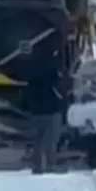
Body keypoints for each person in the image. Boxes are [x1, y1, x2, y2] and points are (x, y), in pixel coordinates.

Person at [24, 40, 68, 174]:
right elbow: (59, 87)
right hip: (52, 108)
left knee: (38, 139)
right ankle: (49, 164)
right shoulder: (53, 67)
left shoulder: (31, 66)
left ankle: (38, 165)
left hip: (37, 108)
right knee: (51, 139)